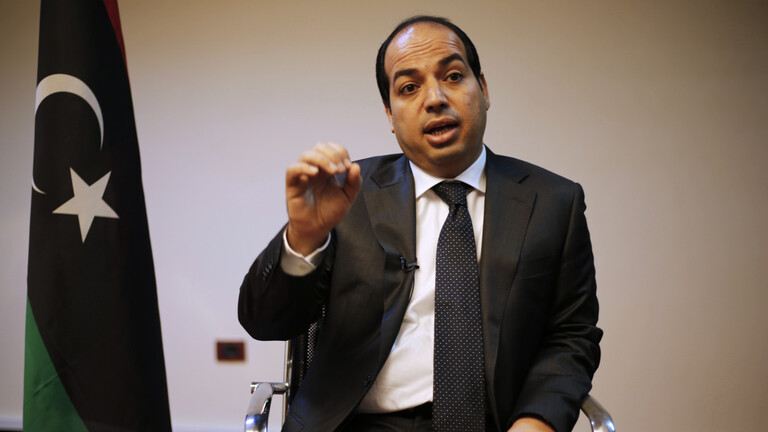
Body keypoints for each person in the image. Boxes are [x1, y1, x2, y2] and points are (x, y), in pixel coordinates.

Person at [239, 15, 602, 432]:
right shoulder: (345, 193)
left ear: (483, 90)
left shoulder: (553, 201)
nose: (434, 98)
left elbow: (572, 335)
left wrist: (537, 422)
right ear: (390, 115)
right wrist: (304, 236)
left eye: (453, 76)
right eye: (409, 87)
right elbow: (265, 322)